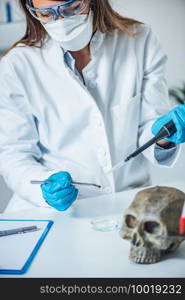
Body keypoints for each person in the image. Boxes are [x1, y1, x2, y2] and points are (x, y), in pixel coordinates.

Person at [0, 0, 184, 213]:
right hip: (54, 212)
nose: (61, 20)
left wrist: (164, 133)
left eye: (71, 7)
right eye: (46, 14)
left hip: (127, 203)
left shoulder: (139, 39)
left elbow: (150, 125)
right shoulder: (17, 65)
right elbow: (13, 153)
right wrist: (43, 186)